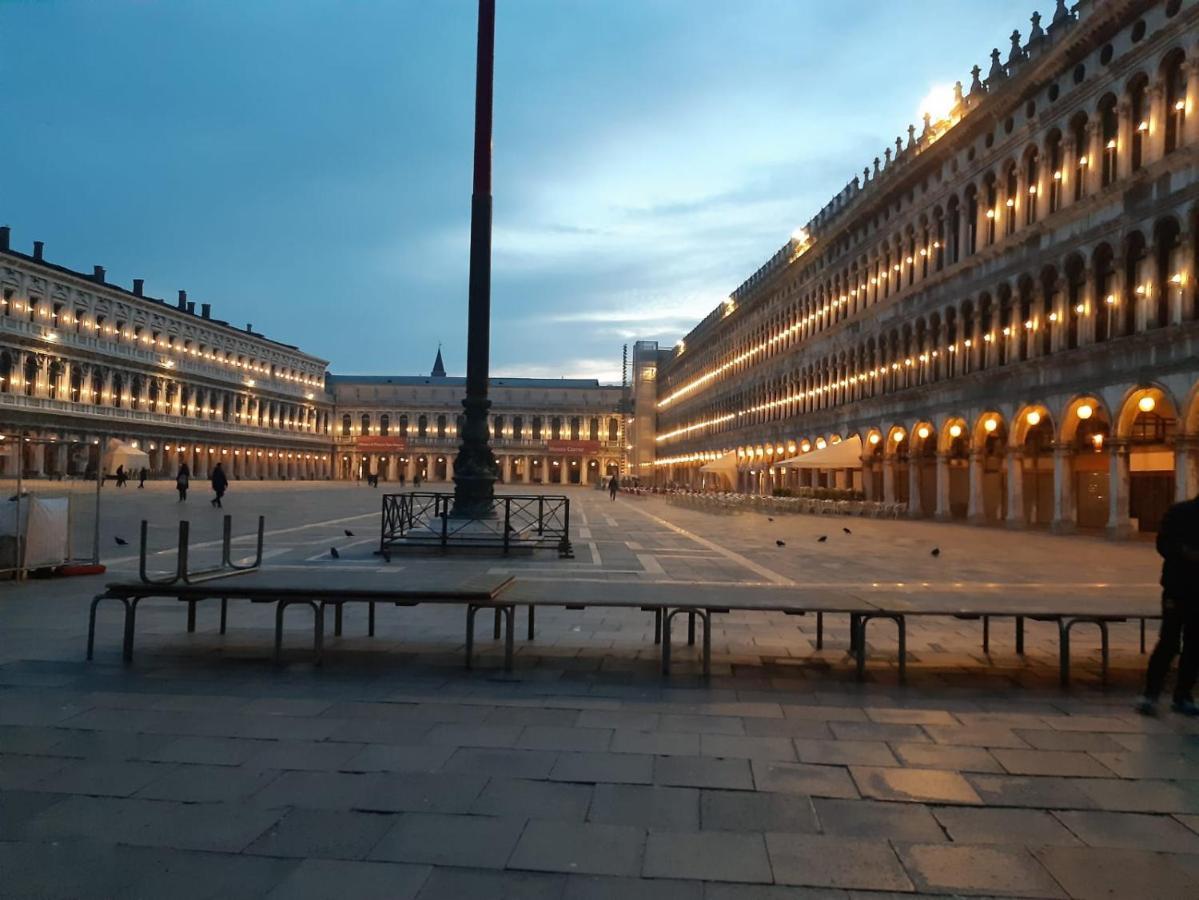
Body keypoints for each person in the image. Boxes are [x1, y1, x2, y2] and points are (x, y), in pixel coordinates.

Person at [1137, 493, 1199, 717]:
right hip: (1179, 587)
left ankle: (1183, 695)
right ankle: (1151, 693)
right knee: (1169, 642)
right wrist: (1185, 552)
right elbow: (1163, 544)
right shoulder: (1179, 512)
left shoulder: (1178, 511)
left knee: (1194, 645)